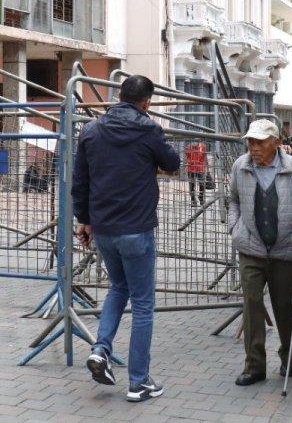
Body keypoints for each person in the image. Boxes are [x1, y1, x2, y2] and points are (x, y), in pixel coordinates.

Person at [73, 75, 181, 402]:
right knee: (144, 304)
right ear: (146, 102)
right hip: (136, 227)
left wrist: (84, 221)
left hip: (104, 229)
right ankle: (138, 382)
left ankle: (101, 350)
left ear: (118, 95)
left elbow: (80, 181)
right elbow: (173, 163)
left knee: (118, 288)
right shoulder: (148, 129)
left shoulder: (91, 130)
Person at [227, 119, 292, 386]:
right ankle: (254, 365)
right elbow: (233, 198)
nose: (253, 147)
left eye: (259, 142)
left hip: (286, 250)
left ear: (276, 142)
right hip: (251, 248)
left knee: (284, 307)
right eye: (250, 141)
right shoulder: (240, 166)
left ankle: (289, 358)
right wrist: (234, 227)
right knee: (252, 305)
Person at [184, 140, 208, 206]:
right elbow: (187, 157)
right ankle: (193, 200)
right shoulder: (188, 147)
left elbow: (205, 157)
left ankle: (201, 197)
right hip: (191, 168)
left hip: (200, 168)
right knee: (191, 185)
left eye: (196, 142)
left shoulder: (203, 147)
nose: (194, 143)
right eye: (193, 142)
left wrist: (206, 167)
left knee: (202, 184)